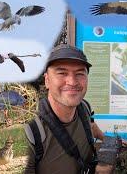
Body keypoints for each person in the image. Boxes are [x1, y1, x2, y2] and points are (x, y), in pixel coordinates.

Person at [24, 44, 104, 173]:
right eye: (62, 73)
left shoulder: (83, 108)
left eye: (79, 73)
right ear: (47, 80)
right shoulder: (30, 130)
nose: (72, 82)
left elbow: (91, 126)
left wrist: (106, 139)